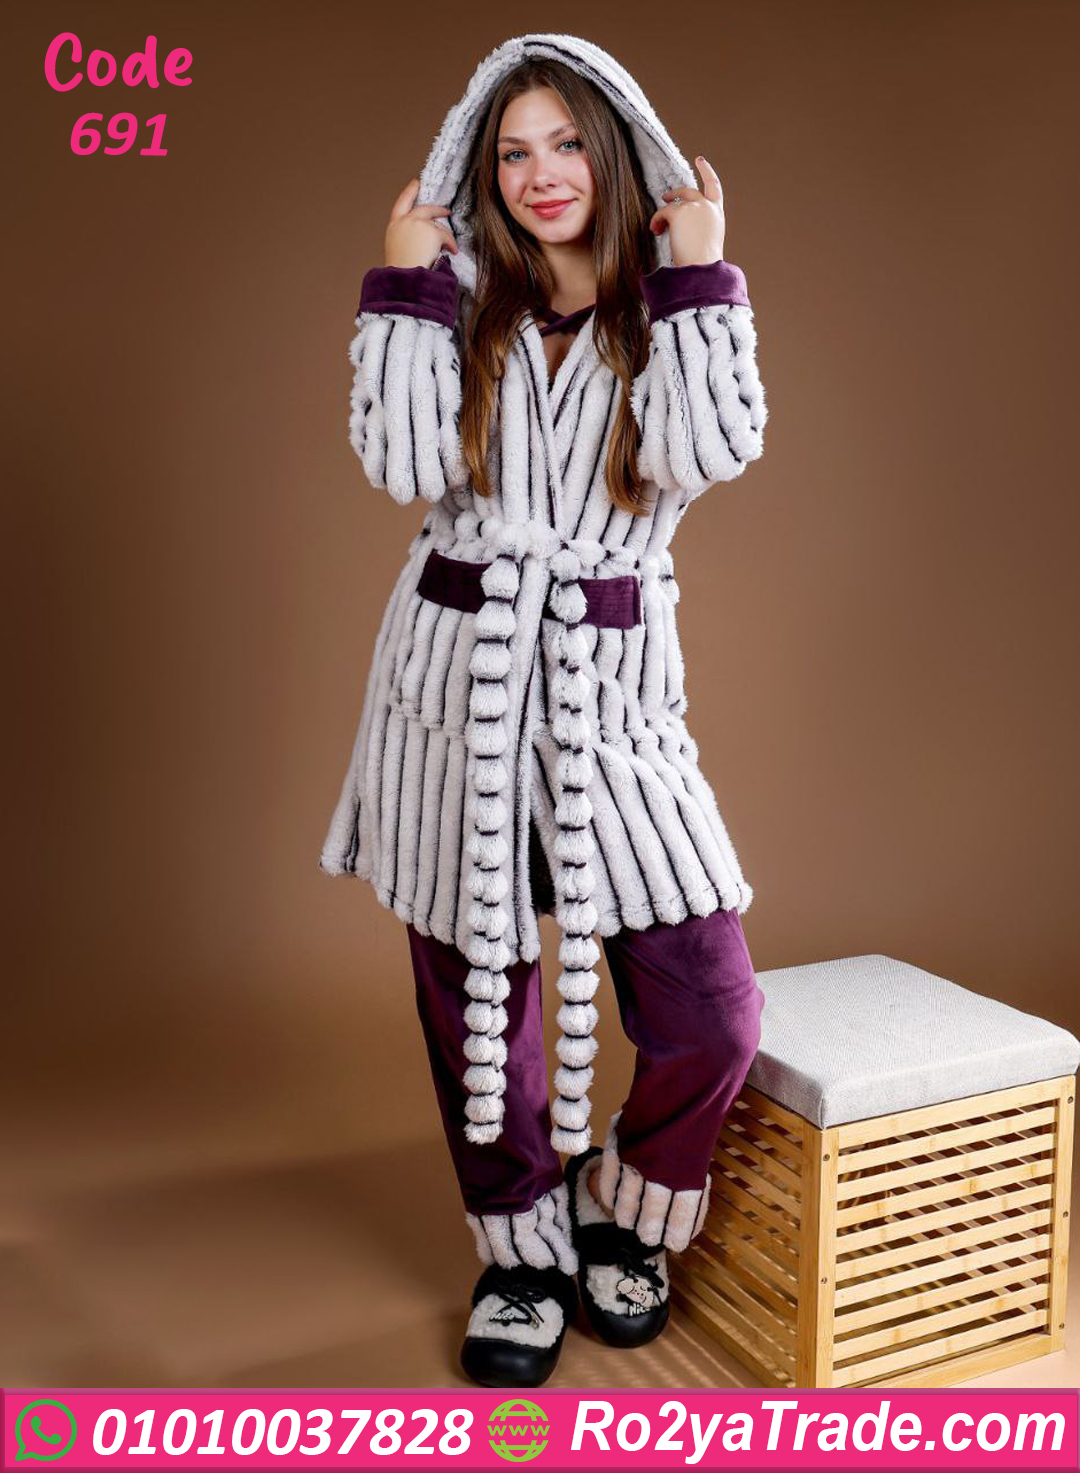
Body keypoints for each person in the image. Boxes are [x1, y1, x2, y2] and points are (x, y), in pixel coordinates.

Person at [320, 32, 768, 1387]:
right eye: (512, 151)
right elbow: (399, 463)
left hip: (611, 694)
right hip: (453, 692)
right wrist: (406, 280)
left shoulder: (662, 308)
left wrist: (699, 271)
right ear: (481, 168)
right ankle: (519, 1253)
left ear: (615, 152)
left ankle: (620, 1208)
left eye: (568, 142)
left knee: (710, 1011)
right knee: (479, 1012)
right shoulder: (457, 304)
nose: (541, 174)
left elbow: (711, 446)